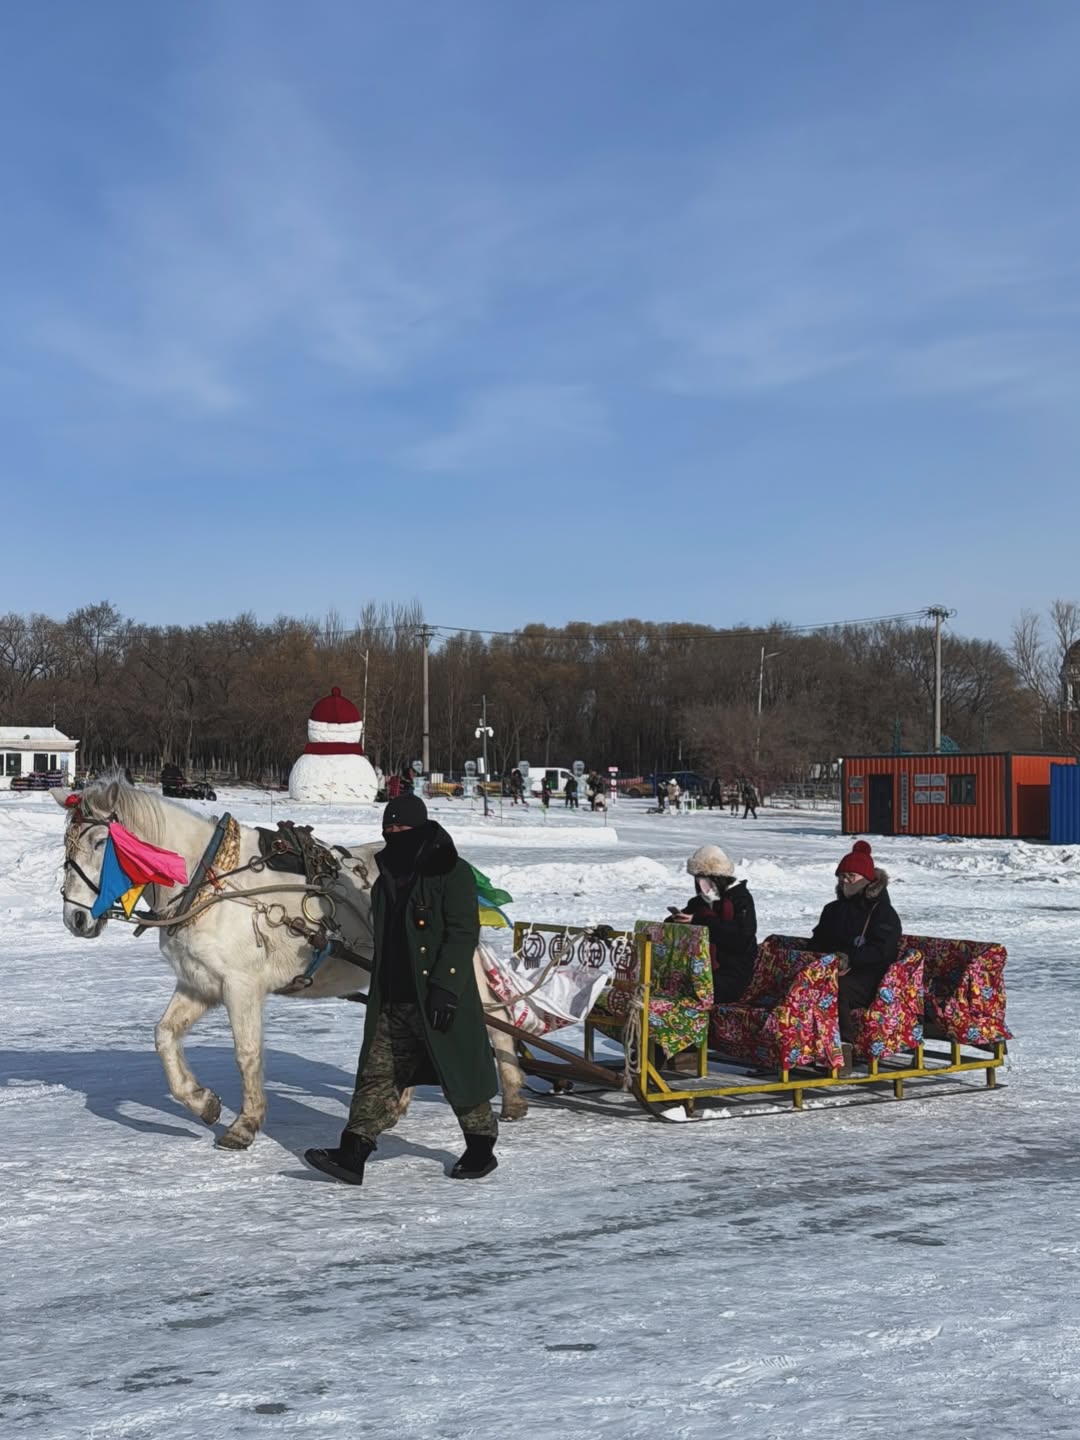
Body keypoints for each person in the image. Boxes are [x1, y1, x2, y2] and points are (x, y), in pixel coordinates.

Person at [304, 794, 499, 1185]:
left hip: (437, 997)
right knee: (376, 1074)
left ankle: (481, 1146)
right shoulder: (387, 875)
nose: (394, 834)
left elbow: (463, 933)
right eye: (388, 829)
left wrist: (446, 985)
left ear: (421, 828)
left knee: (456, 1071)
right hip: (392, 995)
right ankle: (353, 1152)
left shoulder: (452, 872)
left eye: (402, 828)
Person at [810, 839, 901, 1064]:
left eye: (851, 876)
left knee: (835, 989)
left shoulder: (883, 913)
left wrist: (851, 959)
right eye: (842, 877)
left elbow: (883, 952)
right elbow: (818, 941)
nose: (845, 881)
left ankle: (844, 1047)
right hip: (832, 970)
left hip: (869, 978)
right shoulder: (832, 910)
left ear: (867, 880)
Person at [668, 845, 757, 1002]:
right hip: (701, 969)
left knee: (694, 990)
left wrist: (699, 921)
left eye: (703, 880)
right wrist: (677, 920)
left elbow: (742, 936)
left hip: (733, 972)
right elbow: (686, 915)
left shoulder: (740, 899)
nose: (701, 886)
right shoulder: (700, 902)